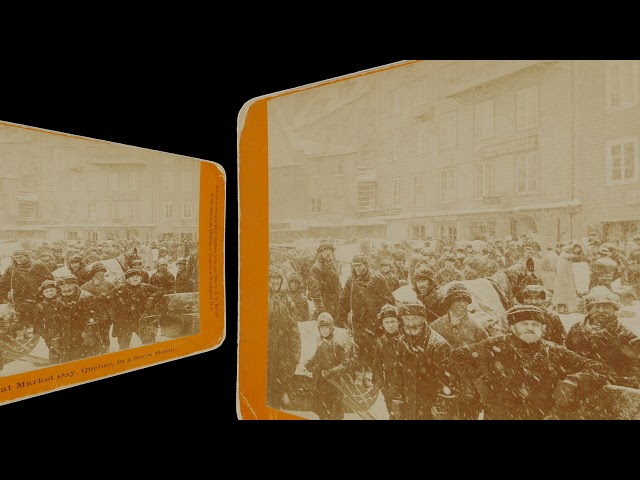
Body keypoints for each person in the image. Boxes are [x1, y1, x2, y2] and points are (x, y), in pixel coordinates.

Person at [452, 304, 612, 420]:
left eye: (535, 324)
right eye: (524, 323)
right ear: (512, 328)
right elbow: (457, 357)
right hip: (500, 415)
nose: (530, 328)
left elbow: (600, 369)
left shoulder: (556, 351)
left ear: (543, 329)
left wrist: (573, 381)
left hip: (542, 415)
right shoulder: (494, 345)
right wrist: (477, 383)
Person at [392, 301, 458, 420]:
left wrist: (440, 408)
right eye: (407, 319)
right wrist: (398, 398)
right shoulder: (403, 341)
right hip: (410, 405)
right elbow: (398, 372)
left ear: (423, 319)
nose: (411, 323)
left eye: (415, 318)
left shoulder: (438, 344)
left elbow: (448, 381)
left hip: (430, 407)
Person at [566, 286, 640, 388]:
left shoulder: (624, 334)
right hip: (578, 383)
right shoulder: (576, 329)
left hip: (610, 386)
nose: (601, 310)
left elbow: (635, 365)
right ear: (589, 309)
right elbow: (567, 355)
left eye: (606, 307)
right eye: (596, 306)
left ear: (614, 309)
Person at [338, 254, 394, 385]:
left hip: (374, 322)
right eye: (355, 265)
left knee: (372, 349)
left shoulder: (377, 278)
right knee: (357, 348)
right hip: (357, 321)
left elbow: (389, 299)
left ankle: (369, 374)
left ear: (365, 265)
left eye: (359, 265)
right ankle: (358, 374)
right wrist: (341, 317)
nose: (357, 268)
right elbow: (344, 300)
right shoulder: (351, 280)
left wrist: (382, 318)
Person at [96, 269, 165, 350]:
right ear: (127, 279)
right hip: (125, 322)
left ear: (141, 278)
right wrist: (111, 311)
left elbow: (162, 290)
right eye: (132, 277)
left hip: (141, 320)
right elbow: (101, 299)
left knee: (150, 344)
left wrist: (152, 297)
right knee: (124, 347)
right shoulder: (120, 289)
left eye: (137, 277)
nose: (135, 279)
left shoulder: (145, 287)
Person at [267, 266, 302, 410]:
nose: (275, 282)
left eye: (278, 279)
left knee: (279, 379)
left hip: (281, 346)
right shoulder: (260, 296)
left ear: (282, 281)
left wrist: (295, 353)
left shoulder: (287, 301)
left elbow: (294, 329)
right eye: (272, 279)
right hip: (264, 345)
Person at [304, 312, 350, 420]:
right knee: (323, 412)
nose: (324, 330)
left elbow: (345, 364)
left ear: (331, 327)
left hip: (334, 384)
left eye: (327, 327)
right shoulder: (319, 341)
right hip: (321, 383)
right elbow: (317, 355)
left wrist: (331, 372)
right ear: (319, 329)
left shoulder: (337, 343)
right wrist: (308, 363)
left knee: (334, 413)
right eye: (322, 328)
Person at [0, 249, 53, 337]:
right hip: (18, 297)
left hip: (35, 296)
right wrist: (2, 296)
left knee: (35, 317)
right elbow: (4, 283)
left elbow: (48, 279)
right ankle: (21, 334)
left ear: (26, 256)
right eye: (16, 258)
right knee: (19, 316)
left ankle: (36, 334)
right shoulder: (11, 268)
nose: (18, 260)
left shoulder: (37, 265)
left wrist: (44, 292)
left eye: (20, 257)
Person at [55, 274, 101, 362]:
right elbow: (56, 319)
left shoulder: (87, 297)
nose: (66, 289)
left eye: (68, 286)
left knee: (84, 361)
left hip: (82, 336)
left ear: (75, 285)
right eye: (63, 286)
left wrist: (88, 333)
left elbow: (93, 318)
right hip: (66, 337)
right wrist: (56, 335)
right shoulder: (59, 300)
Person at [372, 304, 402, 420]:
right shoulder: (381, 342)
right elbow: (376, 366)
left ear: (398, 322)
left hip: (408, 383)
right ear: (382, 324)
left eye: (392, 321)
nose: (390, 325)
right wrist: (383, 386)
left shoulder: (406, 337)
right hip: (391, 385)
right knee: (394, 414)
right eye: (387, 322)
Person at [81, 262, 116, 354]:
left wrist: (106, 299)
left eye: (102, 273)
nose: (100, 275)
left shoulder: (110, 284)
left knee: (104, 334)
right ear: (93, 273)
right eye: (97, 273)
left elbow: (115, 299)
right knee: (93, 335)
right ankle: (95, 353)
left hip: (105, 315)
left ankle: (105, 352)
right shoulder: (85, 286)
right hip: (91, 315)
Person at [307, 240, 342, 321]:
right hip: (325, 308)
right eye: (325, 250)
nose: (328, 253)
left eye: (330, 250)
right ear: (320, 252)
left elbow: (338, 286)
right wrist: (321, 311)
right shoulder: (316, 268)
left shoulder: (332, 264)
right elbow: (315, 293)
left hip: (336, 306)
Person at [35, 280, 62, 364]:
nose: (49, 293)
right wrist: (43, 334)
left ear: (56, 290)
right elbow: (37, 322)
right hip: (51, 333)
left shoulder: (63, 300)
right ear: (43, 293)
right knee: (55, 355)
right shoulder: (42, 305)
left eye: (51, 290)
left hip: (66, 330)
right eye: (46, 291)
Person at [553, 245, 578, 314]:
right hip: (562, 280)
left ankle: (565, 307)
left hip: (567, 280)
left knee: (567, 294)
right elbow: (560, 271)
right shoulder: (562, 261)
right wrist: (564, 279)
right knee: (561, 294)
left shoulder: (567, 261)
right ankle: (561, 308)